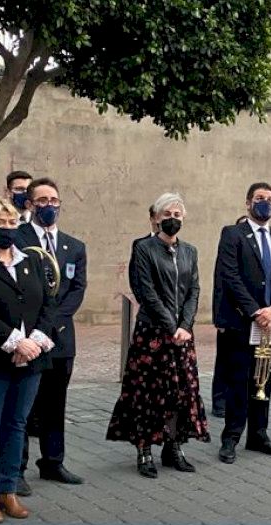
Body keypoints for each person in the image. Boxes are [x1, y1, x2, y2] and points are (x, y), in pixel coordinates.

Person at [0, 198, 56, 522]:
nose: (6, 229)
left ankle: (8, 490)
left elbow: (48, 303)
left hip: (30, 360)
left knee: (17, 425)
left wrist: (35, 341)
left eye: (11, 223)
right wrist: (14, 340)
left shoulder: (31, 261)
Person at [108, 193, 210, 476]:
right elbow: (146, 291)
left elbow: (194, 290)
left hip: (182, 336)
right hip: (153, 333)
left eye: (177, 215)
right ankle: (144, 450)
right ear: (155, 218)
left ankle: (173, 446)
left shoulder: (190, 251)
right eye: (167, 214)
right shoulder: (144, 248)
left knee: (179, 392)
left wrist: (185, 325)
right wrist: (170, 326)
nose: (172, 219)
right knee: (148, 394)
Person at [212, 182, 271, 463]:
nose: (265, 203)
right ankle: (231, 437)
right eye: (259, 198)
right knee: (238, 380)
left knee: (265, 379)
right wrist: (255, 311)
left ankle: (258, 434)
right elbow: (230, 276)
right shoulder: (233, 234)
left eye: (270, 199)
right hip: (242, 321)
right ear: (248, 203)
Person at [16, 178, 88, 489]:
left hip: (59, 338)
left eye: (54, 200)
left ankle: (53, 462)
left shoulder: (75, 246)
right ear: (30, 204)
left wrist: (50, 325)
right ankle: (15, 469)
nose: (49, 206)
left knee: (55, 404)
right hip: (26, 338)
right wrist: (35, 330)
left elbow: (76, 290)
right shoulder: (16, 238)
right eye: (42, 201)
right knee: (21, 407)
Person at [209, 216, 251, 418]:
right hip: (229, 315)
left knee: (242, 363)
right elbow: (219, 284)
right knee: (224, 361)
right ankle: (219, 400)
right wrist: (219, 318)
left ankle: (237, 401)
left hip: (249, 317)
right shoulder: (228, 252)